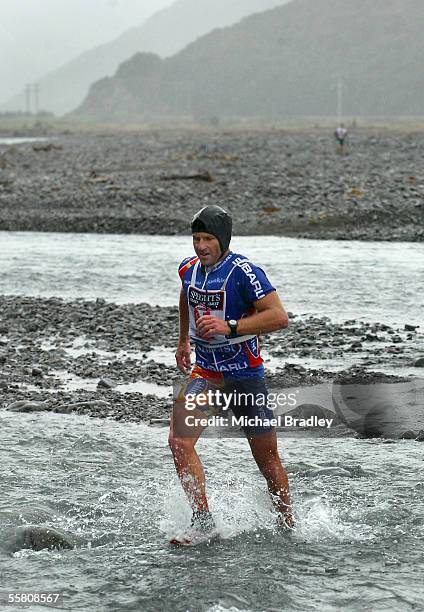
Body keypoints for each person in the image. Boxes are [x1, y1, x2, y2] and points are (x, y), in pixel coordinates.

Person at [168, 205, 294, 538]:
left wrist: (231, 325)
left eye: (207, 238)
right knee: (179, 441)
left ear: (223, 239)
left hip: (245, 376)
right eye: (196, 238)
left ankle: (288, 525)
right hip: (205, 373)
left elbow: (279, 317)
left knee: (266, 460)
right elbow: (186, 296)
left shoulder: (244, 272)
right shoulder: (188, 269)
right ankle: (204, 521)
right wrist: (183, 341)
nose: (200, 246)